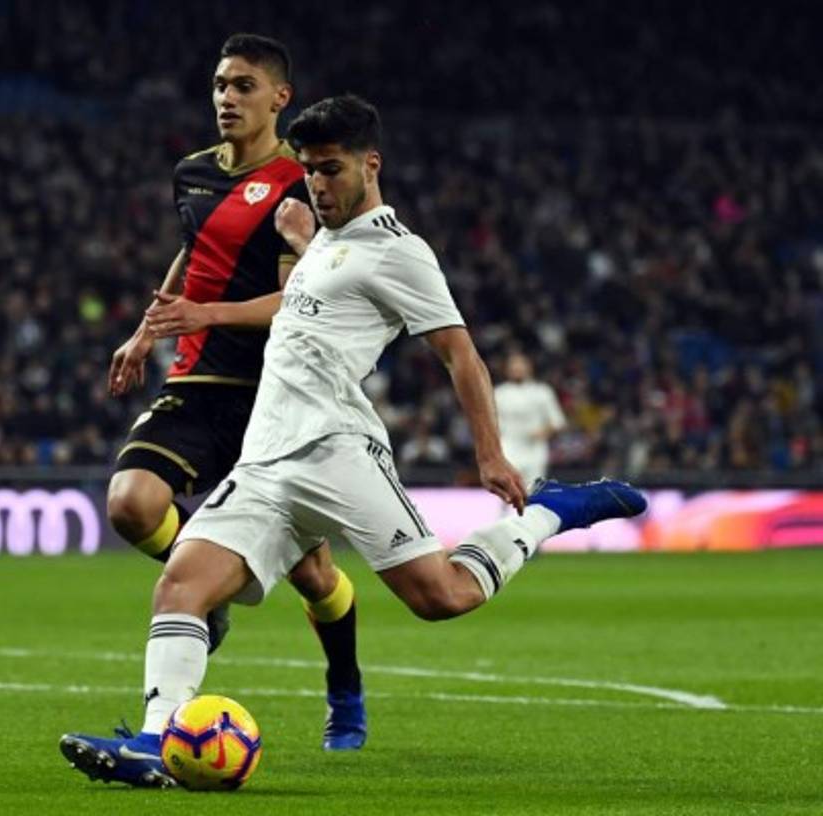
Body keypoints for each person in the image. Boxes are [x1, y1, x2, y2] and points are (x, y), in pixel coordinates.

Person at [60, 94, 647, 788]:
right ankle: (157, 743)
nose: (317, 182)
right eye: (308, 169)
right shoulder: (326, 237)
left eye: (332, 169)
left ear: (372, 165)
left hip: (337, 453)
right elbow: (327, 292)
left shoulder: (403, 254)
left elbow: (462, 356)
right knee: (179, 588)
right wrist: (307, 239)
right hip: (266, 462)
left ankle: (549, 511)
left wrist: (490, 453)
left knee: (441, 597)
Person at [101, 33, 367, 754]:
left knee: (314, 574)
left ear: (280, 98)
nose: (226, 98)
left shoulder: (296, 184)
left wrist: (207, 314)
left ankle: (345, 686)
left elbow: (297, 297)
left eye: (243, 86)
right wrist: (144, 329)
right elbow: (195, 249)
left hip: (273, 395)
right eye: (220, 85)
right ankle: (204, 603)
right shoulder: (192, 173)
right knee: (130, 503)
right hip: (196, 379)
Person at [494, 351, 567, 488]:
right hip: (508, 447)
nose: (517, 368)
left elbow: (558, 421)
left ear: (529, 367)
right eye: (513, 365)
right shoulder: (499, 393)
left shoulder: (542, 391)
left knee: (533, 491)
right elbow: (491, 424)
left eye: (521, 364)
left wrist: (545, 431)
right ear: (507, 369)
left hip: (535, 450)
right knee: (508, 488)